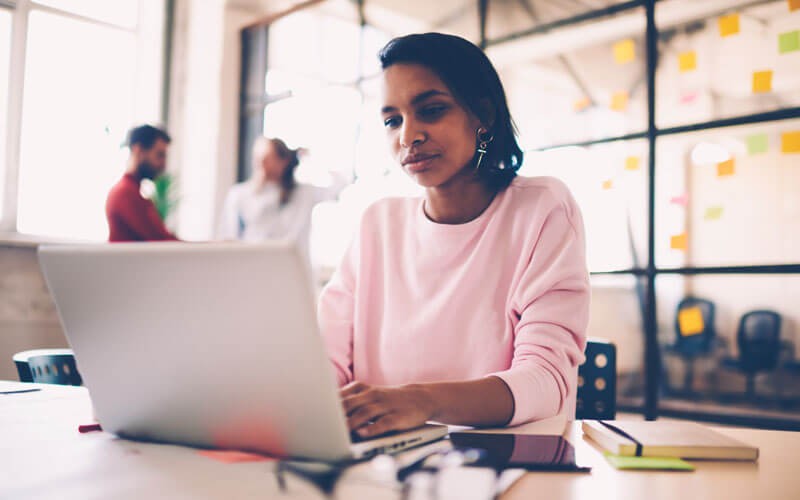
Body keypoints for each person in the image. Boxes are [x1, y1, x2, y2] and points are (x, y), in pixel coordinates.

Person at [318, 33, 590, 439]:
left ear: (483, 117)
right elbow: (324, 359)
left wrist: (422, 401)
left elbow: (546, 380)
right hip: (383, 462)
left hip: (505, 464)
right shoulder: (378, 223)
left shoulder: (541, 209)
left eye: (431, 110)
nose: (407, 136)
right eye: (392, 120)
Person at [217, 136, 345, 262]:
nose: (261, 163)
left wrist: (316, 160)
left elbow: (340, 185)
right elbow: (228, 239)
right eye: (258, 158)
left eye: (267, 158)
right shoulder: (239, 194)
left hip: (293, 273)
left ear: (283, 161)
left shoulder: (304, 193)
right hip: (253, 269)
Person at [106, 124, 179, 242]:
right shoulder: (126, 193)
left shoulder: (131, 191)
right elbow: (161, 241)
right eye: (159, 155)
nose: (163, 164)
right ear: (139, 150)